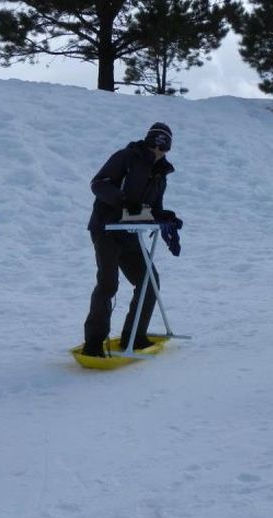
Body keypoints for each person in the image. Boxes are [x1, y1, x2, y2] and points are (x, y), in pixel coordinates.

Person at [82, 122, 181, 357]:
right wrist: (122, 200)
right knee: (108, 284)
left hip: (130, 233)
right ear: (148, 141)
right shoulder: (126, 157)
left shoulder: (160, 174)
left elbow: (152, 208)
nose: (157, 150)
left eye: (163, 146)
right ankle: (93, 343)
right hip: (106, 229)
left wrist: (164, 216)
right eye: (154, 143)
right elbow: (99, 184)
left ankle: (135, 336)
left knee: (148, 281)